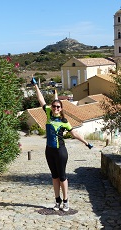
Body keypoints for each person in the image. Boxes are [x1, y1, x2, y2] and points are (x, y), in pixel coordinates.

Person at [31, 77, 93, 212]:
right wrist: (36, 86)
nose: (55, 108)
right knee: (54, 176)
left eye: (58, 107)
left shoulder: (64, 121)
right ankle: (57, 201)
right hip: (49, 150)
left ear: (61, 108)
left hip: (60, 151)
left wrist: (86, 143)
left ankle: (66, 201)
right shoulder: (48, 113)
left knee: (62, 176)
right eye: (54, 106)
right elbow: (41, 100)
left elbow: (74, 133)